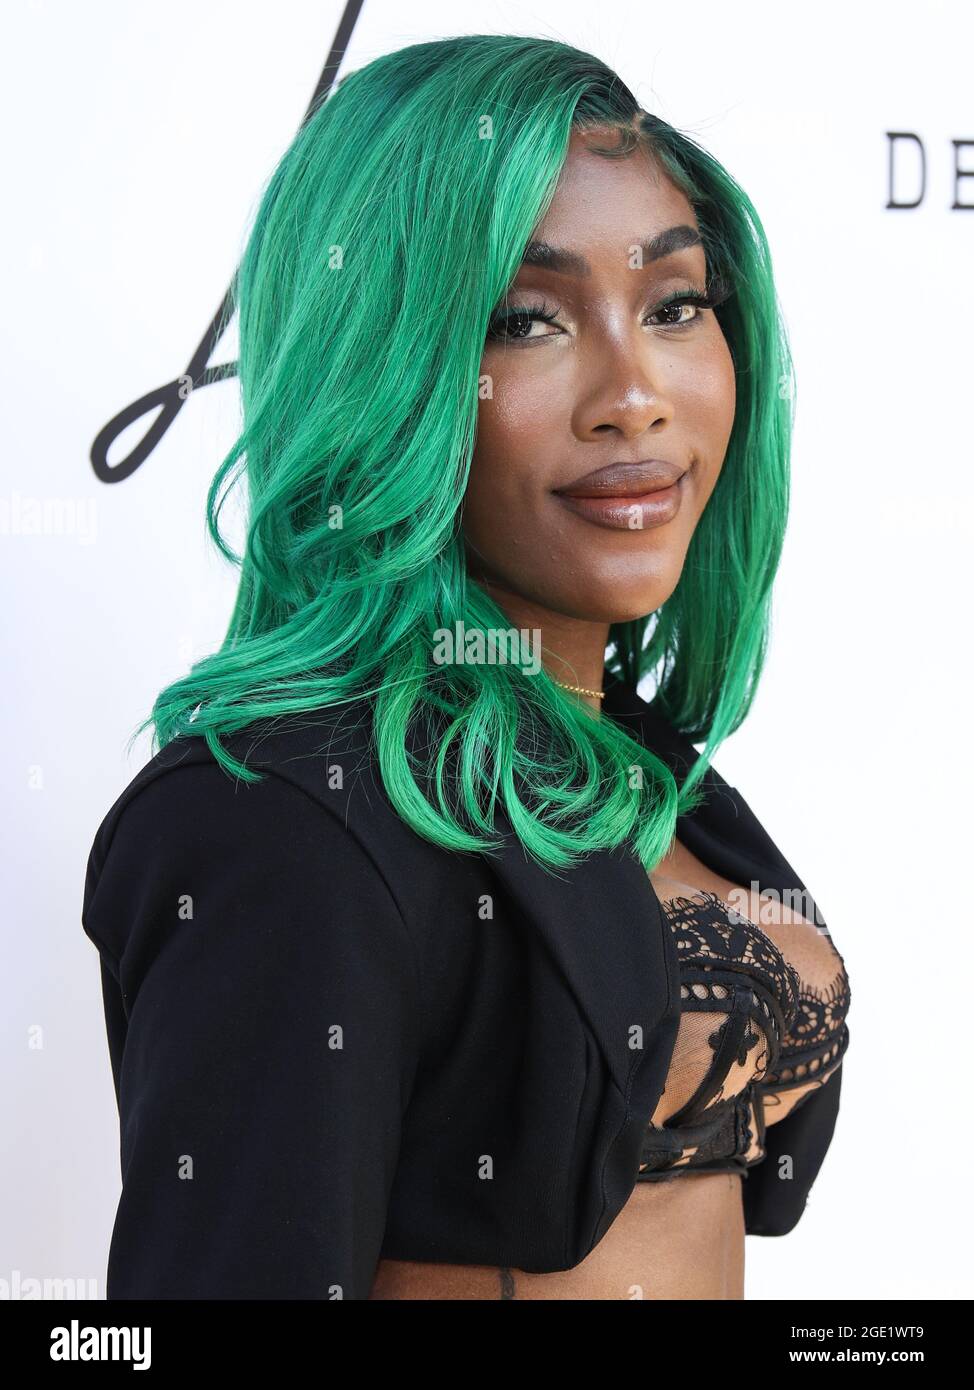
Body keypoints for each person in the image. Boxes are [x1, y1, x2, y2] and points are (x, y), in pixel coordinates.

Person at [82, 33, 851, 1300]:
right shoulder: (281, 816)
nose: (632, 394)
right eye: (526, 320)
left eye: (673, 304)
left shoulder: (644, 769)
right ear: (382, 369)